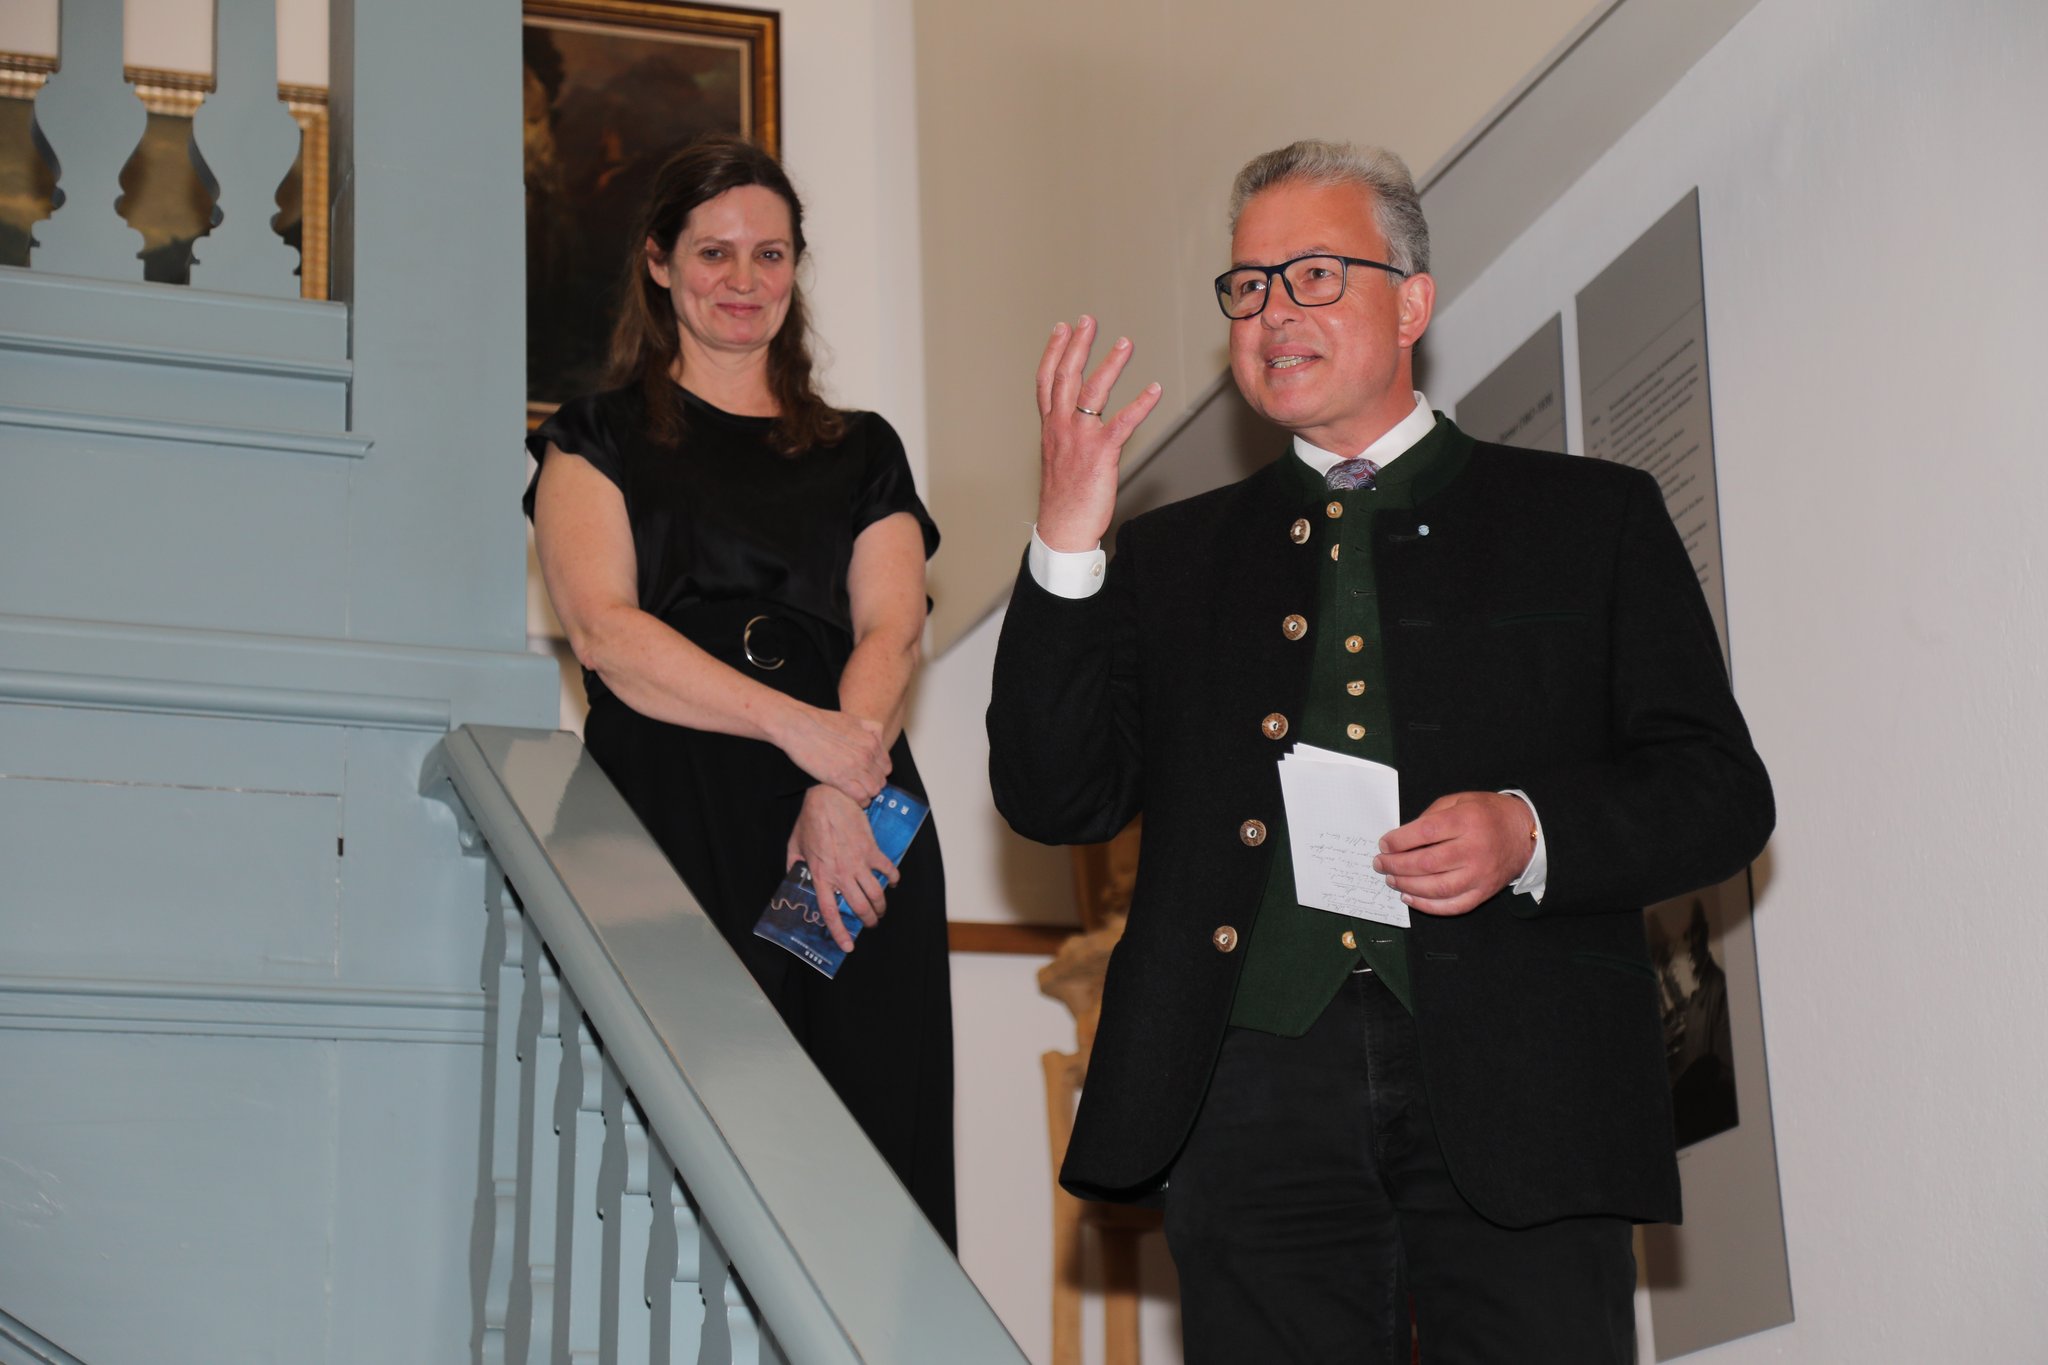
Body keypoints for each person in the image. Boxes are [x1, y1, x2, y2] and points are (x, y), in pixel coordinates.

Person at [987, 139, 1773, 1361]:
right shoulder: (1168, 558)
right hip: (1247, 1090)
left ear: (1410, 303)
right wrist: (1066, 544)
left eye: (1312, 276)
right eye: (1246, 287)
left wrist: (1529, 830)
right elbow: (1054, 797)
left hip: (1525, 1074)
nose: (1271, 312)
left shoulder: (1589, 517)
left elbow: (1717, 793)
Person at [526, 135, 955, 1247]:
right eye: (713, 252)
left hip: (856, 807)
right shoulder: (593, 437)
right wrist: (802, 735)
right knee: (691, 1133)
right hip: (672, 805)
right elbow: (605, 633)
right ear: (659, 263)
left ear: (795, 269)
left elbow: (892, 627)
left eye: (769, 254)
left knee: (863, 1124)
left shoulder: (863, 450)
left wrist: (841, 778)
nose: (743, 279)